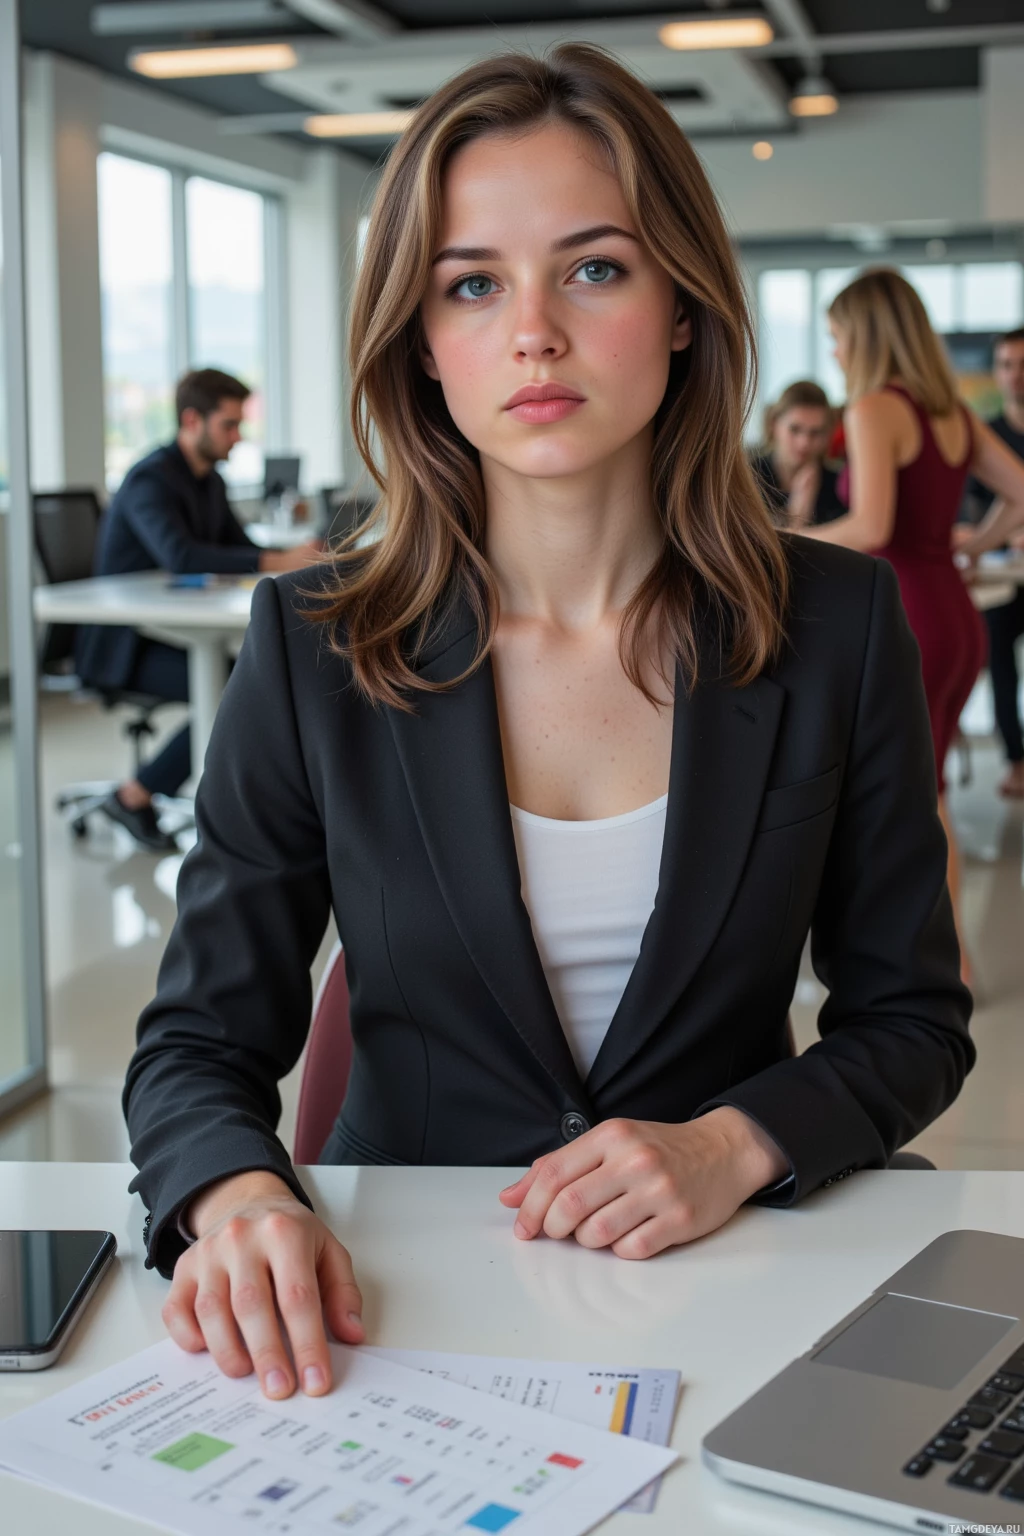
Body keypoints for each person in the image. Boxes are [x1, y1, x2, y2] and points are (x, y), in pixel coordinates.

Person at [124, 47, 973, 1406]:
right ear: (422, 340)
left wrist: (734, 1142)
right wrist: (236, 1202)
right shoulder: (315, 646)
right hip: (393, 1317)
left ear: (684, 304)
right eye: (473, 284)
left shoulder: (837, 624)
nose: (534, 331)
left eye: (593, 268)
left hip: (733, 1295)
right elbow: (195, 1047)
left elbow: (914, 1019)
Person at [804, 270, 1024, 985]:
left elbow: (870, 525)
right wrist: (969, 541)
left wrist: (779, 540)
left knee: (916, 799)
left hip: (905, 617)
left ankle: (942, 963)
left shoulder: (874, 409)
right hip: (953, 612)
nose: (834, 351)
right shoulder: (949, 413)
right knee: (923, 794)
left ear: (863, 333)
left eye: (837, 337)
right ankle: (944, 956)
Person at [76, 369, 320, 851]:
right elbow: (181, 556)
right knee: (239, 686)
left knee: (252, 679)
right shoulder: (149, 479)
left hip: (168, 630)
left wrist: (302, 563)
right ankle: (134, 795)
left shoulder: (208, 481)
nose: (237, 437)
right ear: (192, 420)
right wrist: (279, 560)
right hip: (122, 646)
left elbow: (241, 547)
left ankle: (172, 794)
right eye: (229, 425)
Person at [960, 328, 1024, 799]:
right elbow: (971, 513)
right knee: (1000, 662)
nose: (1015, 376)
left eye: (1023, 365)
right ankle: (1016, 760)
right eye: (1006, 365)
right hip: (1003, 573)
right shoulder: (986, 435)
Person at [749, 380, 845, 529]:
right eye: (794, 429)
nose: (804, 443)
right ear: (774, 425)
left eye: (816, 432)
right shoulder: (749, 477)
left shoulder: (839, 486)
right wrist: (796, 517)